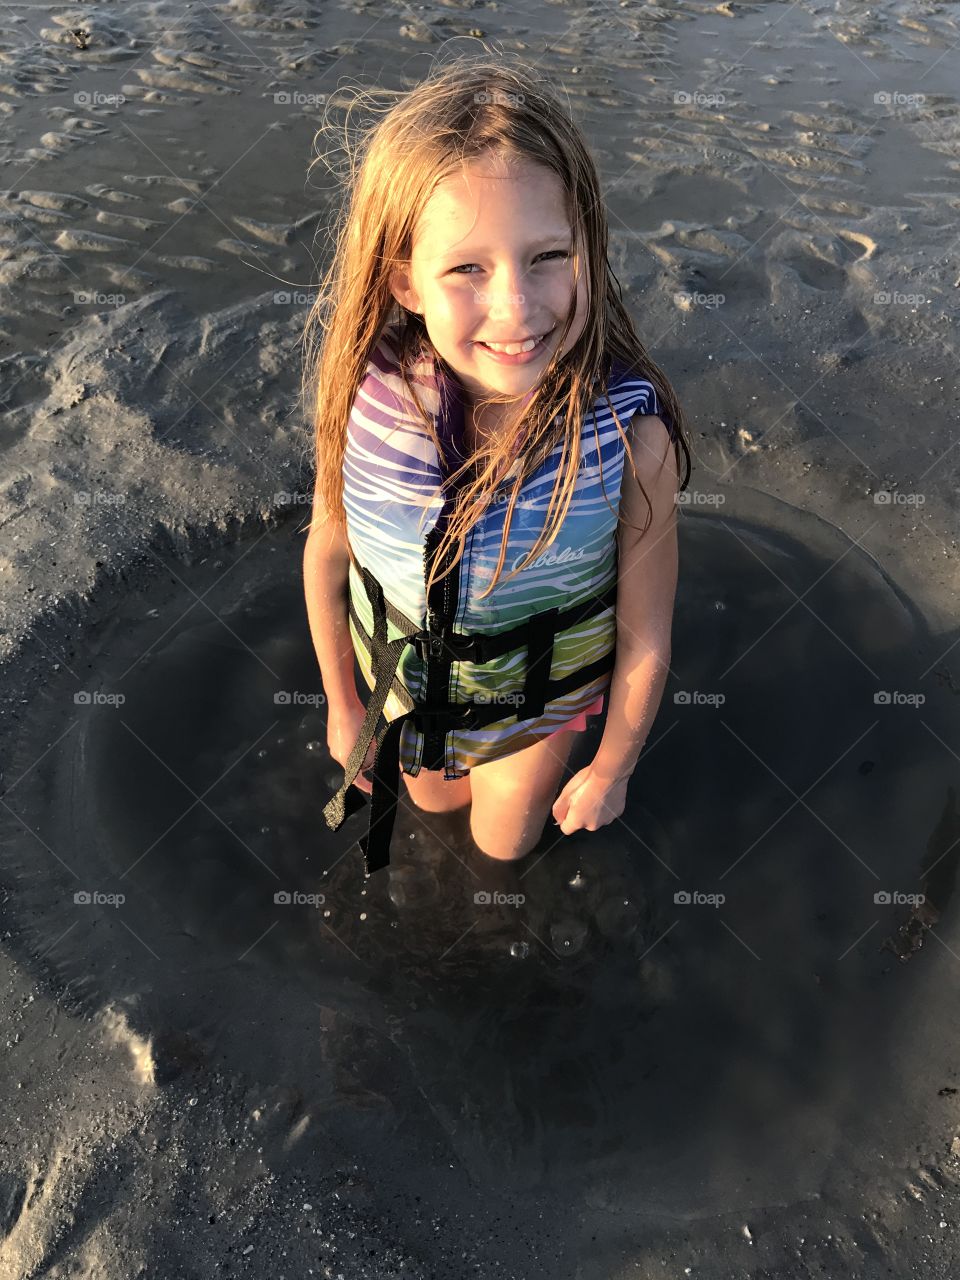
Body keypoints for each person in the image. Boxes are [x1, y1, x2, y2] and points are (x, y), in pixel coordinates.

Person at [301, 53, 691, 876]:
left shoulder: (630, 440)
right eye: (467, 268)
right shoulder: (362, 403)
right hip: (408, 699)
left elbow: (647, 635)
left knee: (501, 846)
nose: (516, 306)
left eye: (548, 256)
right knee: (434, 807)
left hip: (541, 712)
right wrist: (343, 706)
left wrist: (613, 767)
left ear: (589, 244)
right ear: (405, 282)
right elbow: (329, 555)